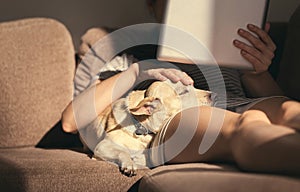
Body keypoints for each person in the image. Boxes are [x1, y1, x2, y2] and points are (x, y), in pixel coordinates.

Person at [62, 0, 300, 175]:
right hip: (178, 116)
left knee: (290, 111)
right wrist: (136, 72)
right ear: (153, 6)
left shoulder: (230, 52)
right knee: (249, 123)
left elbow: (276, 99)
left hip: (238, 100)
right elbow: (71, 121)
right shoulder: (132, 57)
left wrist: (257, 72)